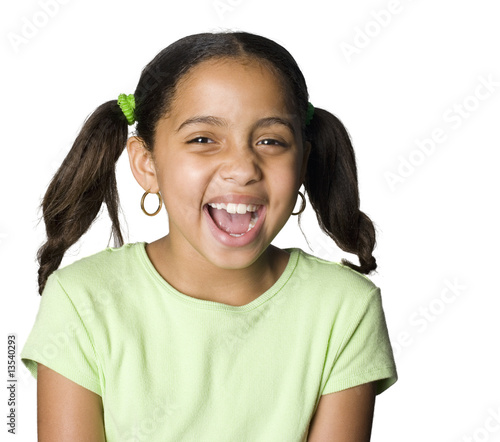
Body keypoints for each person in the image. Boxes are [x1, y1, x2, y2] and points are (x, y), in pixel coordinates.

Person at [20, 31, 398, 441]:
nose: (242, 167)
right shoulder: (81, 300)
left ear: (303, 162)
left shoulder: (344, 307)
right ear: (147, 163)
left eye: (271, 141)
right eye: (203, 140)